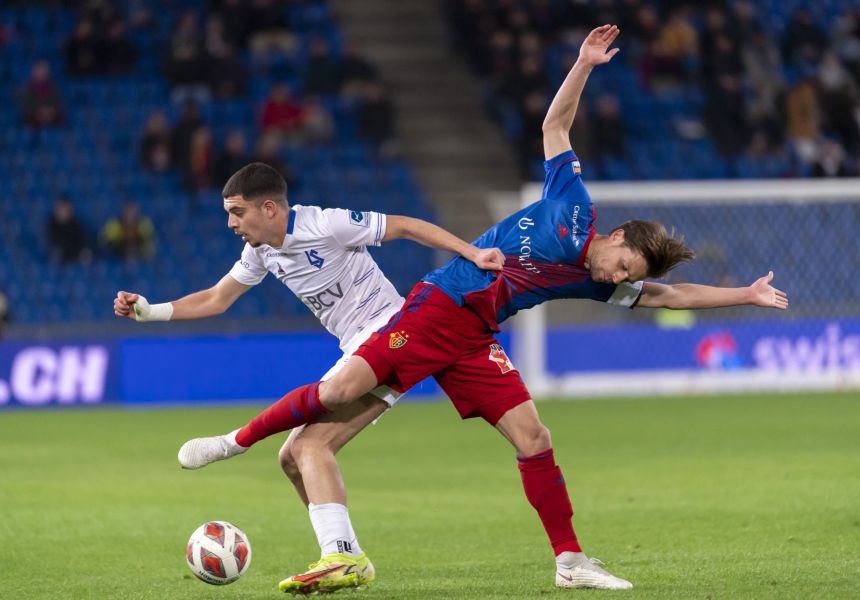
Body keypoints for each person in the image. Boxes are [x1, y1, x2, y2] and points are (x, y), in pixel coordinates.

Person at [177, 26, 789, 593]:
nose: (622, 279)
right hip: (439, 305)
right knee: (336, 391)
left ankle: (570, 561)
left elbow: (670, 295)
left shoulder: (591, 281)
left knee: (533, 436)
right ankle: (236, 442)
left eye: (629, 279)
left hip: (474, 336)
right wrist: (581, 65)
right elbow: (555, 127)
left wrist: (744, 295)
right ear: (620, 237)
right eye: (626, 266)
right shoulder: (572, 205)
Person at [112, 161, 505, 590]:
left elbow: (405, 226)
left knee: (313, 440)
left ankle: (246, 453)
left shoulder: (326, 224)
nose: (230, 223)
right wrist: (149, 310)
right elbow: (216, 299)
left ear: (268, 208)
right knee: (293, 457)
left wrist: (472, 252)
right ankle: (348, 555)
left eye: (237, 212)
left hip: (390, 333)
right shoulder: (261, 251)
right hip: (358, 347)